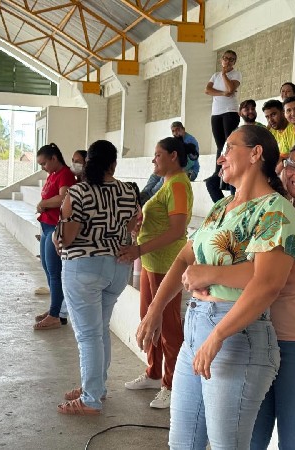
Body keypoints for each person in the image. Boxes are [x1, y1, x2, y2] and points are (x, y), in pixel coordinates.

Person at [136, 125, 295, 449]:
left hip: (236, 334)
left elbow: (268, 282)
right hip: (195, 328)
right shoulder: (220, 208)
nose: (220, 158)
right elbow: (184, 258)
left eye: (229, 148)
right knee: (182, 443)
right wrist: (155, 310)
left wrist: (217, 331)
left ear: (256, 154)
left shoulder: (275, 211)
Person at [182, 136, 295, 449]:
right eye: (292, 165)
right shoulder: (275, 206)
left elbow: (282, 276)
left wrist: (211, 274)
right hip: (258, 334)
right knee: (250, 439)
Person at [56, 140, 139, 415]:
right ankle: (96, 387)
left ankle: (91, 398)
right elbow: (130, 226)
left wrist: (58, 233)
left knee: (88, 335)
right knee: (100, 330)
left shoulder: (78, 192)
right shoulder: (129, 190)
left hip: (84, 267)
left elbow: (68, 238)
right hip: (117, 268)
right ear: (113, 164)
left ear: (88, 162)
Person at [119, 137, 194, 409]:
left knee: (169, 327)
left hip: (167, 264)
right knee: (149, 319)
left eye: (158, 155)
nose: (154, 160)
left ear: (173, 156)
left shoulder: (178, 185)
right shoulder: (166, 183)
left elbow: (176, 231)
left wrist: (139, 249)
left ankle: (172, 384)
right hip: (152, 262)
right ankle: (154, 373)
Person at [33, 143, 76, 330]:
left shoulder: (65, 174)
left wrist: (44, 203)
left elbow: (63, 198)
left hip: (55, 227)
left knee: (54, 271)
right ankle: (55, 308)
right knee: (47, 267)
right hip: (46, 225)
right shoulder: (52, 174)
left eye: (44, 163)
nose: (43, 167)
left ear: (54, 158)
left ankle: (55, 314)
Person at [204, 50, 241, 203]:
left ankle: (229, 168)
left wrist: (225, 75)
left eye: (231, 59)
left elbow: (231, 89)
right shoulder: (215, 75)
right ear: (222, 60)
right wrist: (222, 93)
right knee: (220, 144)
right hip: (216, 112)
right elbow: (208, 90)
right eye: (226, 58)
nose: (228, 61)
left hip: (229, 111)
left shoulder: (236, 74)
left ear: (234, 62)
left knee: (228, 143)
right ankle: (218, 171)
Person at [140, 122, 199, 205]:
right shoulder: (175, 141)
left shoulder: (191, 142)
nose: (175, 133)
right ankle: (143, 194)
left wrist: (170, 170)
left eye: (178, 130)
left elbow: (190, 162)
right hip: (175, 168)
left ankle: (150, 198)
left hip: (190, 171)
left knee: (165, 176)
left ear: (183, 129)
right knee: (155, 175)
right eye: (173, 131)